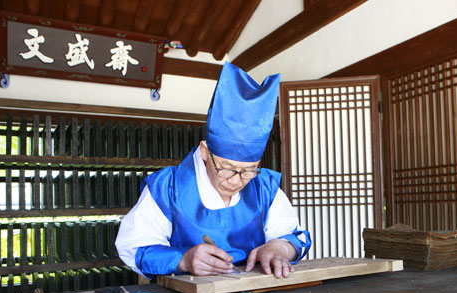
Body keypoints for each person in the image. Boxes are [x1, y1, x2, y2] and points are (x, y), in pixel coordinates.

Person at [115, 62, 311, 280]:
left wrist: (280, 248)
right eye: (226, 169)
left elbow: (297, 237)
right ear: (205, 152)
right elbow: (133, 247)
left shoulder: (264, 187)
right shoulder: (168, 187)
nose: (236, 181)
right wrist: (183, 259)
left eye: (248, 170)